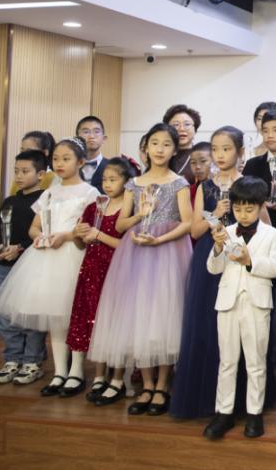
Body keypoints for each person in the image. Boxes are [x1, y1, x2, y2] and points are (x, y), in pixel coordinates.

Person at [88, 123, 194, 416]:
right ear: (146, 147)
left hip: (168, 253)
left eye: (167, 144)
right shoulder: (134, 183)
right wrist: (140, 216)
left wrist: (159, 238)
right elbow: (121, 224)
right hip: (136, 254)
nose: (160, 149)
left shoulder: (179, 183)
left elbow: (187, 222)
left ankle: (162, 385)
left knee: (165, 315)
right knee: (139, 316)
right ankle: (146, 385)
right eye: (155, 143)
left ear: (174, 150)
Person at [0, 138, 98, 398]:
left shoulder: (89, 193)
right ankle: (60, 371)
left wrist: (66, 236)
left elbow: (89, 228)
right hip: (47, 257)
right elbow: (34, 226)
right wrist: (40, 236)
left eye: (66, 159)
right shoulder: (49, 192)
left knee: (74, 316)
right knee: (55, 318)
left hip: (74, 254)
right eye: (56, 159)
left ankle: (76, 371)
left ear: (80, 162)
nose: (59, 163)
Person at [172, 127, 249, 419]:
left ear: (240, 152)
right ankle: (208, 395)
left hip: (239, 254)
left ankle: (241, 398)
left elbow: (264, 224)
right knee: (208, 324)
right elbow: (194, 230)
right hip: (210, 256)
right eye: (215, 149)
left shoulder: (249, 184)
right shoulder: (205, 187)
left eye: (226, 149)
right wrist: (215, 214)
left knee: (239, 324)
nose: (220, 155)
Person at [202, 177, 276, 440]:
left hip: (257, 304)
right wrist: (217, 246)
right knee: (227, 361)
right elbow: (213, 268)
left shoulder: (272, 234)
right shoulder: (225, 231)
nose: (243, 214)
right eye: (238, 209)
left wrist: (250, 261)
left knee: (256, 362)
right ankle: (224, 413)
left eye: (249, 209)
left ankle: (254, 414)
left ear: (260, 207)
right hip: (227, 302)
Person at [68, 157, 135, 404]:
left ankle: (117, 378)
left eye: (113, 179)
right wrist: (77, 235)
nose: (107, 184)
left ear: (126, 182)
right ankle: (99, 375)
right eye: (105, 179)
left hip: (116, 271)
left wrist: (99, 235)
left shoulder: (129, 210)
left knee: (114, 323)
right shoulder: (94, 207)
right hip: (91, 271)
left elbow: (127, 247)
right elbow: (80, 243)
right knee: (94, 322)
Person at [0, 149, 48, 386]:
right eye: (16, 171)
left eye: (25, 171)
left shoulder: (45, 200)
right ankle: (12, 359)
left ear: (41, 174)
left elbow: (44, 232)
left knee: (30, 315)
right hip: (5, 264)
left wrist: (21, 247)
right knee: (7, 315)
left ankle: (32, 361)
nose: (19, 176)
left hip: (32, 264)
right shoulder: (10, 201)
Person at [164, 104, 203, 184]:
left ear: (195, 129)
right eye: (176, 125)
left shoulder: (203, 155)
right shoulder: (161, 154)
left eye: (187, 124)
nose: (181, 129)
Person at [76, 115, 109, 192]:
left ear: (104, 139)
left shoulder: (113, 166)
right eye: (86, 132)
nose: (91, 136)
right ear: (77, 138)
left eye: (96, 132)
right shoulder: (70, 167)